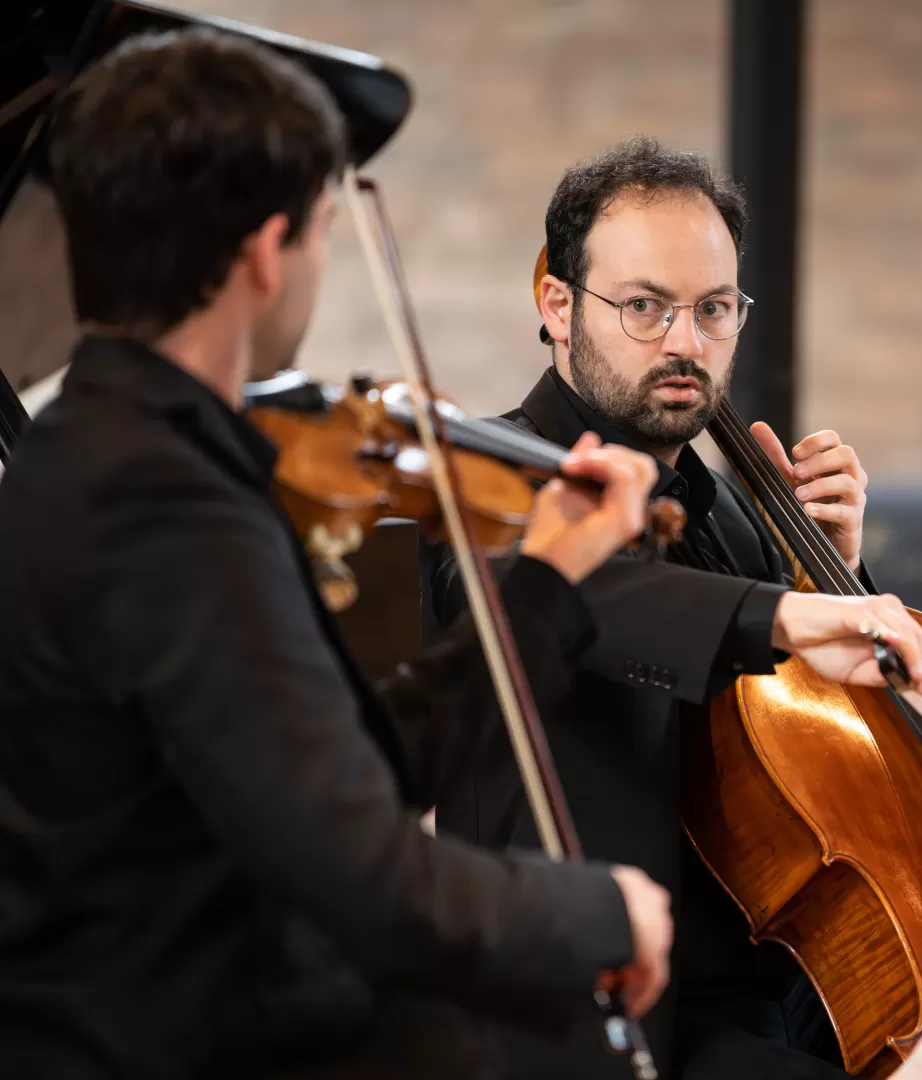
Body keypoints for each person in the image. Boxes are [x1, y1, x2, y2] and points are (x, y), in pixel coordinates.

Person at [0, 30, 674, 1080]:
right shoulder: (157, 499)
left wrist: (546, 583)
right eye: (322, 231)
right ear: (268, 252)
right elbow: (367, 878)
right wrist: (601, 911)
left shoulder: (109, 453)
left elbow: (348, 771)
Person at [425, 137, 922, 1079]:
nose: (686, 344)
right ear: (558, 307)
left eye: (713, 309)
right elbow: (591, 599)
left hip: (790, 995)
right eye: (644, 307)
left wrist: (835, 574)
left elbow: (836, 767)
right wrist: (787, 615)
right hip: (603, 1022)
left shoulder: (738, 521)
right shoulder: (486, 480)